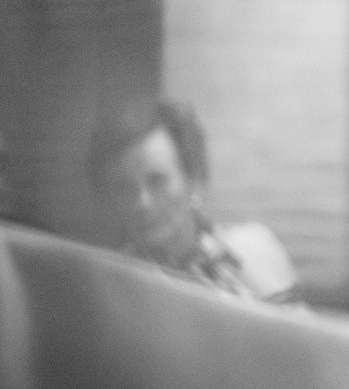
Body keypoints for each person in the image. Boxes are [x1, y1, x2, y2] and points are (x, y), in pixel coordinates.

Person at [91, 97, 300, 305]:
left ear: (193, 180)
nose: (141, 202)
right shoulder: (114, 283)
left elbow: (298, 334)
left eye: (157, 182)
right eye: (124, 189)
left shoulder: (250, 247)